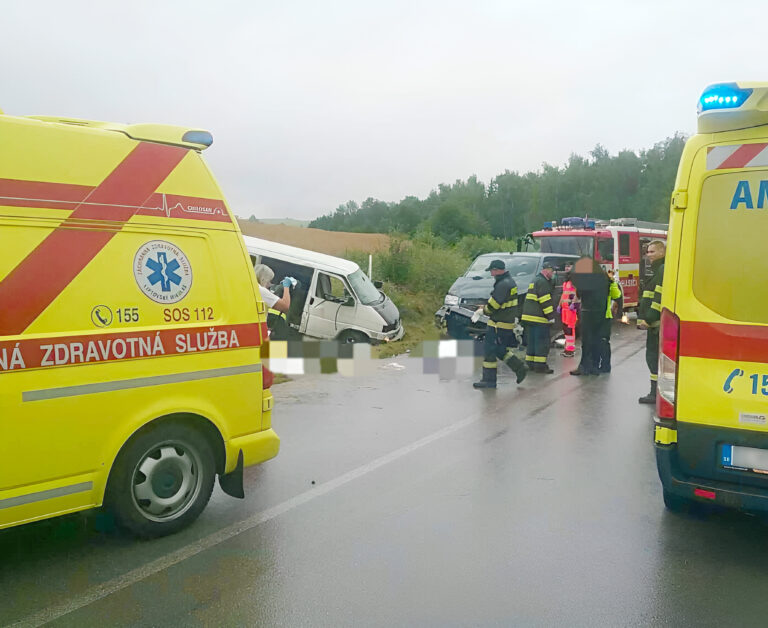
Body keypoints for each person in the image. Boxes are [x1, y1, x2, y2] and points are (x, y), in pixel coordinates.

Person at [473, 260, 528, 389]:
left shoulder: (502, 284)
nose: (492, 274)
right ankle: (519, 368)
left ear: (498, 270)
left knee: (490, 351)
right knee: (500, 350)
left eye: (492, 271)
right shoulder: (509, 282)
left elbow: (494, 305)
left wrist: (482, 310)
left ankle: (489, 381)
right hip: (505, 323)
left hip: (498, 324)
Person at [569, 257, 609, 376]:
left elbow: (580, 293)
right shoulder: (603, 277)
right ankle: (595, 366)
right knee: (596, 339)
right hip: (601, 311)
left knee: (587, 341)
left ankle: (585, 367)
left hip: (588, 311)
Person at [637, 240, 665, 403]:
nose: (648, 256)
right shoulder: (657, 270)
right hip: (654, 325)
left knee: (653, 358)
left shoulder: (661, 270)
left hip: (655, 325)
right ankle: (655, 392)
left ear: (662, 252)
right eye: (647, 252)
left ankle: (655, 393)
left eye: (652, 252)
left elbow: (658, 298)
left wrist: (648, 319)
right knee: (652, 358)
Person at [521, 261, 556, 373]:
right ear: (546, 270)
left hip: (529, 317)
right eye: (552, 271)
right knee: (542, 342)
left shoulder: (535, 280)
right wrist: (551, 316)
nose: (553, 273)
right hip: (538, 318)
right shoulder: (543, 282)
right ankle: (540, 366)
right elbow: (544, 300)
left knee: (532, 342)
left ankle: (530, 364)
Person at [253, 263, 292, 340]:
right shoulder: (260, 290)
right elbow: (285, 306)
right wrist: (286, 286)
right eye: (269, 281)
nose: (269, 284)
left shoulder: (250, 286)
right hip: (257, 331)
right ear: (263, 279)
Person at [597, 269, 624, 373]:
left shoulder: (609, 285)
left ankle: (605, 365)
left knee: (603, 342)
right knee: (599, 342)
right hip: (599, 317)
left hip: (604, 317)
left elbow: (617, 295)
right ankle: (601, 364)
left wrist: (612, 283)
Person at [558, 263, 579, 357]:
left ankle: (570, 349)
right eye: (565, 266)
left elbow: (578, 293)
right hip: (565, 309)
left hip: (570, 309)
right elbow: (563, 295)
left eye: (569, 266)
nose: (566, 268)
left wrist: (574, 303)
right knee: (566, 328)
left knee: (570, 328)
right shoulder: (566, 282)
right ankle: (567, 348)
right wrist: (560, 305)